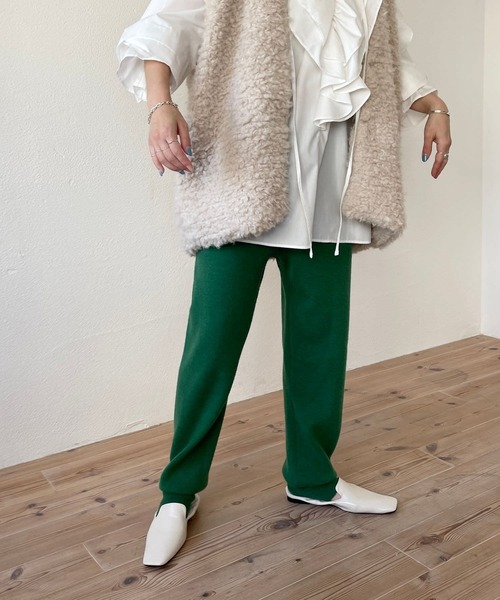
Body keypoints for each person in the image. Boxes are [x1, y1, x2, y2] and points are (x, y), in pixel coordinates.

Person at [116, 0, 452, 567]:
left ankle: (313, 477)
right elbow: (165, 26)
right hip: (244, 185)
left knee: (321, 346)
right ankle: (178, 492)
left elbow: (391, 61)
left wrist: (436, 106)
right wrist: (160, 105)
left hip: (332, 197)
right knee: (211, 346)